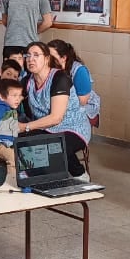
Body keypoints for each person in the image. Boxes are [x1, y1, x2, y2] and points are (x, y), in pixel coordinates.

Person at [19, 41, 91, 179]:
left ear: (46, 59)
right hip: (44, 127)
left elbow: (56, 118)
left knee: (54, 145)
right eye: (27, 55)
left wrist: (25, 127)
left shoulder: (60, 78)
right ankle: (34, 177)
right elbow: (11, 99)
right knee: (23, 142)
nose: (30, 59)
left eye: (36, 55)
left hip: (72, 127)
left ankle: (80, 174)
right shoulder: (27, 81)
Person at [47, 39, 101, 121]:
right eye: (46, 56)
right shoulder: (49, 69)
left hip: (82, 107)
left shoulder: (79, 71)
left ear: (63, 58)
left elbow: (82, 101)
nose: (48, 60)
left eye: (52, 57)